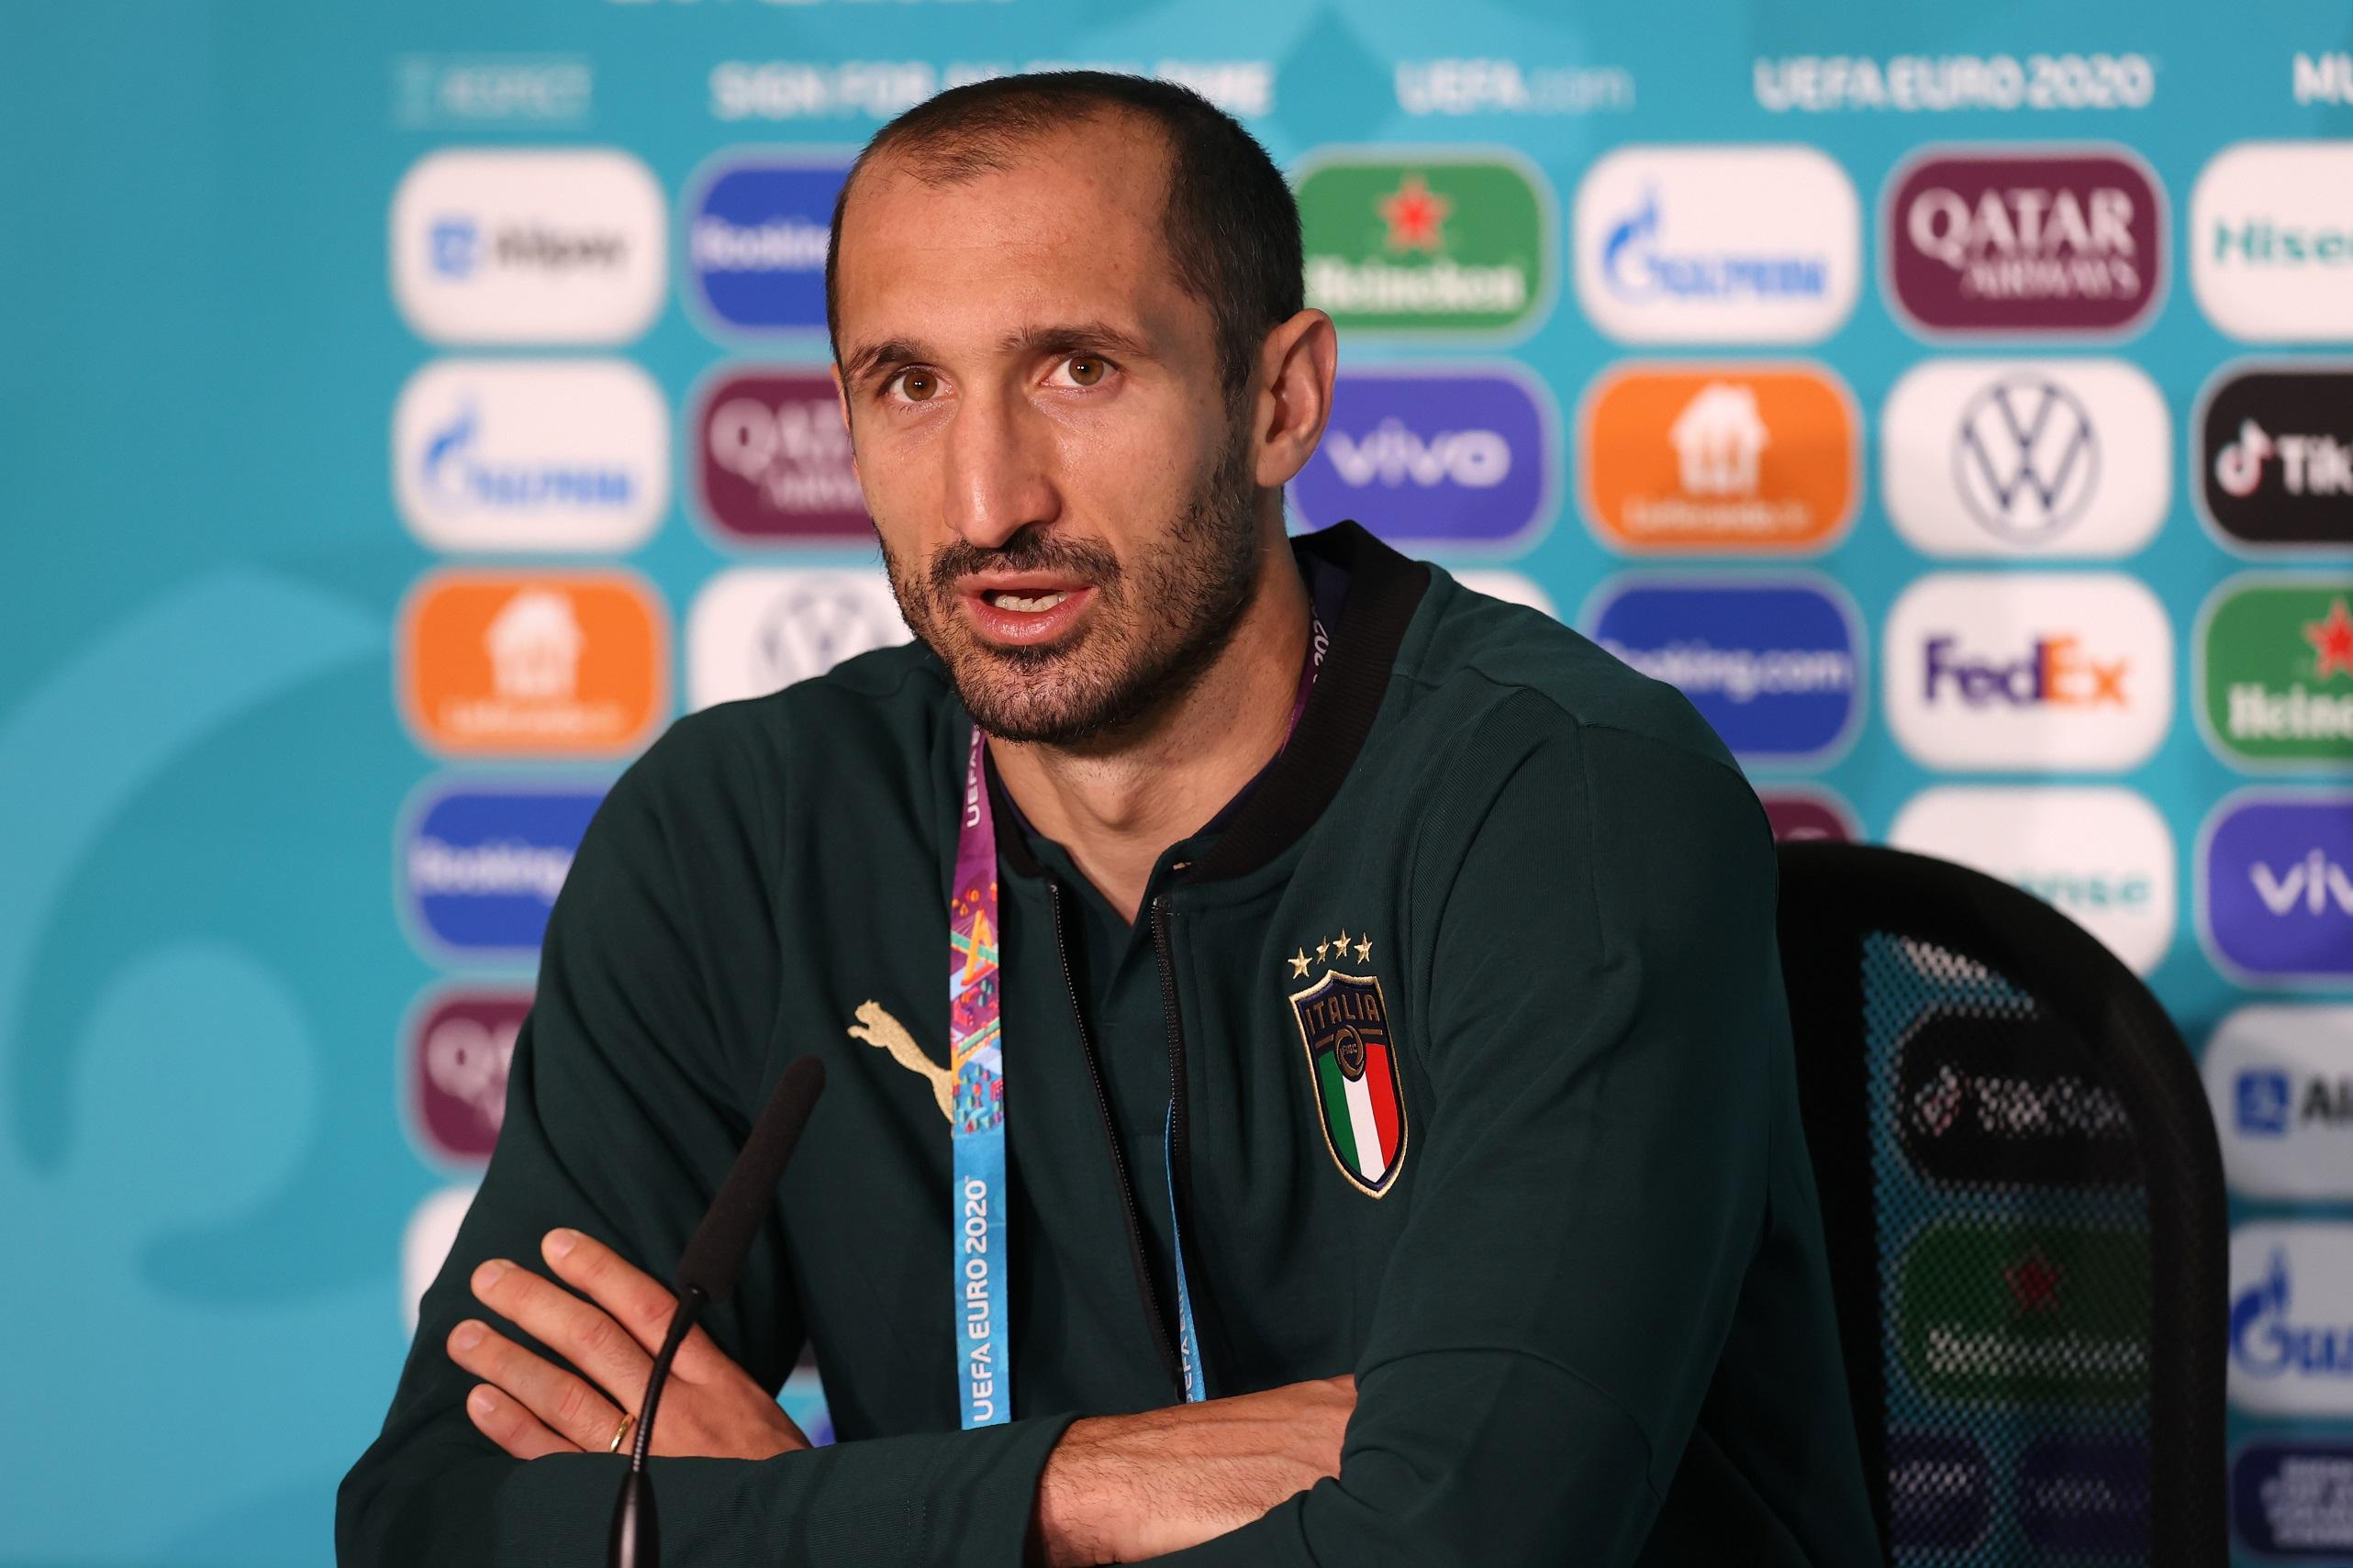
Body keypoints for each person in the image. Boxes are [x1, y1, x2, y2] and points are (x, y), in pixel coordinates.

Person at [339, 72, 1879, 1566]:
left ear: (1282, 402)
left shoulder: (1570, 803)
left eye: (1078, 369)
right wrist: (1084, 1486)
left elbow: (1472, 1534)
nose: (989, 497)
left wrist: (808, 1524)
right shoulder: (739, 835)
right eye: (910, 385)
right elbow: (440, 1519)